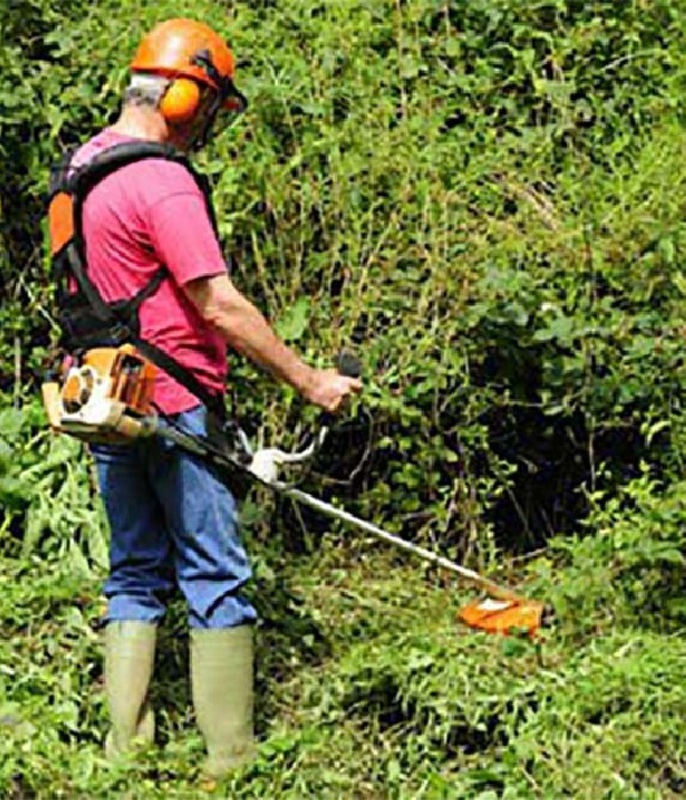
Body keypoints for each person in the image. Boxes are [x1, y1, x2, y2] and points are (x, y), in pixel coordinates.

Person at [47, 18, 361, 777]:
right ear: (185, 98)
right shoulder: (162, 179)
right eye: (212, 105)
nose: (213, 123)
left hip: (105, 396)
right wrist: (310, 380)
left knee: (133, 568)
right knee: (215, 570)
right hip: (176, 400)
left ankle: (127, 753)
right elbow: (218, 304)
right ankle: (232, 760)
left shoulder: (80, 167)